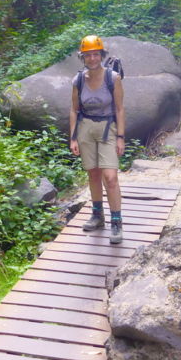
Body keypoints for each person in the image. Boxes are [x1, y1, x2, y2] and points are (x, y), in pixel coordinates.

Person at [69, 35, 125, 244]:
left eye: (95, 54)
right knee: (92, 173)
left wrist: (120, 137)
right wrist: (73, 137)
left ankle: (117, 222)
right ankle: (97, 215)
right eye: (88, 55)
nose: (92, 58)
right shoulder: (78, 80)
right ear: (82, 57)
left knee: (110, 176)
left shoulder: (113, 78)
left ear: (101, 55)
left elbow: (120, 109)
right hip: (85, 129)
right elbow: (74, 110)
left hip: (107, 128)